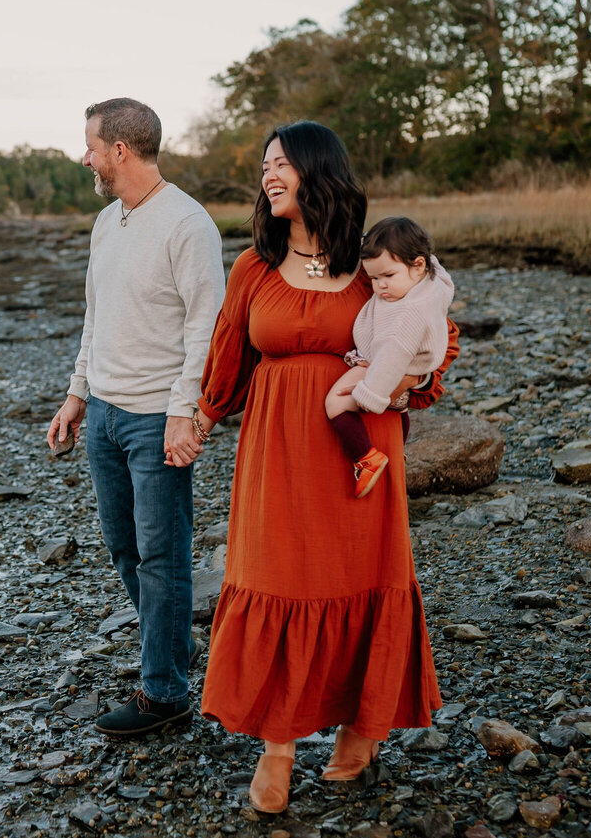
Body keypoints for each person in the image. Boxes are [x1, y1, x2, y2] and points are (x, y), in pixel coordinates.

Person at [192, 122, 458, 813]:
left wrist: (411, 389)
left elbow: (430, 326)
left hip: (359, 449)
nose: (267, 174)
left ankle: (361, 725)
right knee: (275, 573)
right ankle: (276, 745)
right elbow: (228, 355)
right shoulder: (255, 264)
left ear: (318, 171)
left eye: (280, 163)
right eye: (263, 166)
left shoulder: (371, 256)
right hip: (276, 446)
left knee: (361, 574)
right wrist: (198, 418)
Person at [46, 97, 225, 737]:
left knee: (163, 555)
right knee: (124, 547)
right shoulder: (106, 221)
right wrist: (76, 393)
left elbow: (207, 329)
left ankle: (164, 692)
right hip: (104, 413)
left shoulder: (188, 224)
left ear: (120, 150)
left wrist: (186, 414)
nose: (84, 156)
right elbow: (98, 316)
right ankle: (170, 646)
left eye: (90, 145)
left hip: (157, 420)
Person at [325, 216, 455, 498]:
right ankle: (399, 453)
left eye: (388, 276)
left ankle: (365, 458)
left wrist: (369, 394)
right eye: (373, 278)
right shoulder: (432, 281)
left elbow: (392, 357)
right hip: (403, 372)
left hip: (390, 371)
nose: (380, 286)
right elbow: (433, 263)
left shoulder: (408, 314)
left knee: (335, 403)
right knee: (401, 410)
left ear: (417, 265)